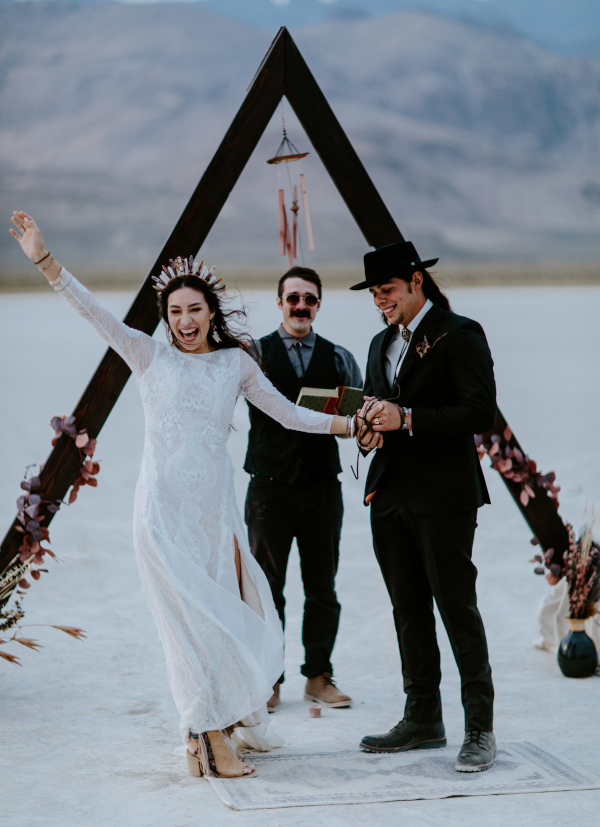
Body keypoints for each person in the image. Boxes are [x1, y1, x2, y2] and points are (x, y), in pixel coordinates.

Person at [9, 212, 356, 780]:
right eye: (174, 312)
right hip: (162, 517)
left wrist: (348, 426)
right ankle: (211, 738)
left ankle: (209, 731)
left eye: (194, 309)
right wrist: (46, 262)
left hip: (216, 520)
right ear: (165, 319)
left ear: (212, 313)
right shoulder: (150, 356)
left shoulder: (234, 365)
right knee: (185, 627)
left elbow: (291, 415)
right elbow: (94, 314)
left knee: (222, 624)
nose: (184, 320)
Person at [351, 241, 498, 773]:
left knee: (457, 608)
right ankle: (423, 719)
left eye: (386, 291)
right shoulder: (377, 343)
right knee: (407, 611)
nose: (379, 302)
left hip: (445, 497)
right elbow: (379, 406)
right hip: (388, 495)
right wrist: (369, 429)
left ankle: (479, 729)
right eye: (372, 294)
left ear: (416, 281)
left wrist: (408, 418)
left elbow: (480, 412)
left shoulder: (460, 334)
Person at [244, 266, 362, 711]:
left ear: (318, 305)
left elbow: (354, 417)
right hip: (268, 490)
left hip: (321, 491)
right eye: (292, 298)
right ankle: (268, 678)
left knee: (322, 587)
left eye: (309, 299)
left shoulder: (338, 358)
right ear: (279, 303)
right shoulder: (252, 353)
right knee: (266, 589)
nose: (300, 306)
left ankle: (318, 676)